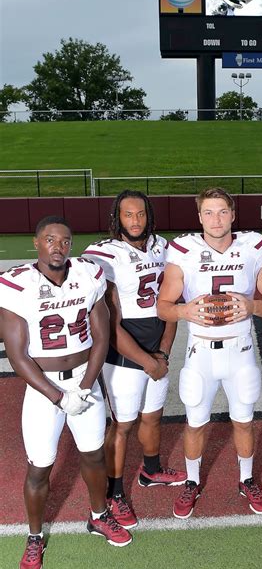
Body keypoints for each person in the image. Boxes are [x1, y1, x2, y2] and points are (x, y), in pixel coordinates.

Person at [0, 216, 132, 569]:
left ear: (70, 244)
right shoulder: (16, 284)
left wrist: (86, 386)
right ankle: (34, 536)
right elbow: (18, 356)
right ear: (37, 242)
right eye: (49, 240)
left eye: (64, 241)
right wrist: (59, 397)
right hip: (44, 389)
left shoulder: (89, 275)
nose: (57, 247)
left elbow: (101, 336)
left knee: (93, 455)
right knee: (40, 466)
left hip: (84, 383)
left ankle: (98, 515)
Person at [157, 187, 262, 519]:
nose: (216, 219)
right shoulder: (183, 250)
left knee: (244, 420)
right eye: (209, 213)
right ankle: (192, 481)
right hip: (200, 353)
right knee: (195, 422)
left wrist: (253, 304)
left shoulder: (253, 246)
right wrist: (185, 311)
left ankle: (247, 478)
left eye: (222, 212)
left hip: (240, 350)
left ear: (233, 214)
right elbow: (163, 307)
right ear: (199, 217)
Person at [82, 190, 185, 530]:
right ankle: (114, 493)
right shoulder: (104, 254)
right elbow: (109, 323)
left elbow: (173, 303)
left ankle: (151, 470)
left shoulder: (163, 246)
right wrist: (146, 360)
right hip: (124, 354)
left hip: (159, 347)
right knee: (123, 425)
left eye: (140, 214)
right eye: (128, 215)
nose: (136, 220)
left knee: (153, 417)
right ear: (117, 218)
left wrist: (164, 353)